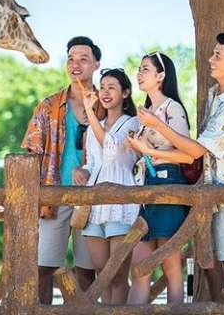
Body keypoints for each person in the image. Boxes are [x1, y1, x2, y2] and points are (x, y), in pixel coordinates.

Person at [135, 32, 224, 293]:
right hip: (210, 194)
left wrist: (157, 125)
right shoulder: (216, 95)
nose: (211, 59)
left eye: (217, 55)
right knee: (209, 260)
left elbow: (196, 150)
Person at [21, 36, 101, 304]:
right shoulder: (49, 105)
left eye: (83, 59)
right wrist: (33, 198)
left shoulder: (106, 103)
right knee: (43, 268)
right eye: (71, 58)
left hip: (93, 199)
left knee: (87, 272)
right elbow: (30, 152)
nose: (75, 64)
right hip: (53, 198)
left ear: (96, 65)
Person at [124, 52, 192, 305]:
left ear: (161, 76)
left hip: (169, 186)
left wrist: (147, 150)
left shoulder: (172, 108)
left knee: (172, 268)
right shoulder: (146, 111)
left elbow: (186, 152)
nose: (139, 74)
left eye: (145, 69)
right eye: (139, 69)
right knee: (139, 266)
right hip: (146, 189)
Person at [79, 68, 142, 304]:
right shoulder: (95, 125)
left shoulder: (132, 123)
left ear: (125, 93)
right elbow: (93, 162)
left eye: (111, 87)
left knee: (116, 275)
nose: (105, 92)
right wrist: (82, 170)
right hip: (94, 205)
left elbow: (112, 150)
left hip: (121, 201)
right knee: (101, 276)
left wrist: (89, 112)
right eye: (102, 87)